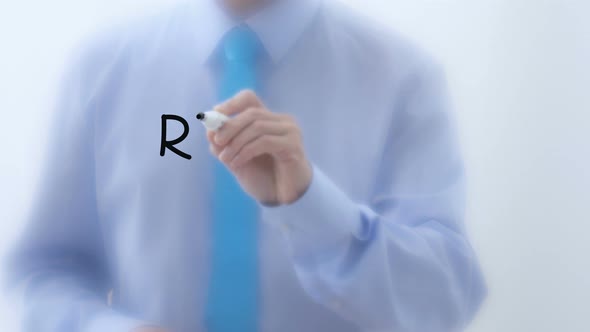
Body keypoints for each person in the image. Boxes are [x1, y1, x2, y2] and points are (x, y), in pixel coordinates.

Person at [5, 0, 486, 331]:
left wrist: (309, 203)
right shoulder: (102, 67)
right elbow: (43, 270)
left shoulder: (403, 78)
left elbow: (441, 302)